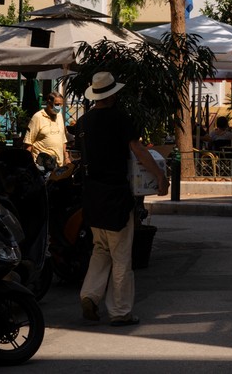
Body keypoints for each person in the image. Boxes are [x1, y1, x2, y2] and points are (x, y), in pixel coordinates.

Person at [76, 70, 168, 327]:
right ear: (113, 94)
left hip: (92, 196)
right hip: (115, 195)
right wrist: (159, 176)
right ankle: (120, 312)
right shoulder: (119, 119)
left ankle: (89, 295)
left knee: (100, 249)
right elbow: (138, 150)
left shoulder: (83, 122)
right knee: (120, 257)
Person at [23, 92, 69, 171]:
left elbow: (63, 140)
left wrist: (66, 158)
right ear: (49, 103)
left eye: (61, 105)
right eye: (57, 104)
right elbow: (28, 142)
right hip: (42, 166)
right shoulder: (38, 117)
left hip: (58, 165)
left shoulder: (59, 116)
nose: (59, 107)